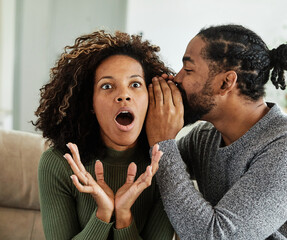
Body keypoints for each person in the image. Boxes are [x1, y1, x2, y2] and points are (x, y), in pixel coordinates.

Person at [146, 24, 287, 240]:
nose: (177, 78)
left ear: (225, 83)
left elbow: (215, 236)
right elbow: (152, 174)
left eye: (189, 70)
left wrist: (162, 142)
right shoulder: (205, 138)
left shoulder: (282, 148)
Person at [34, 30, 174, 239]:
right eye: (107, 86)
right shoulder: (58, 163)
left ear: (149, 97)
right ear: (89, 102)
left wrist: (124, 216)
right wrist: (103, 215)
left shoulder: (164, 166)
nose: (124, 95)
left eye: (135, 84)